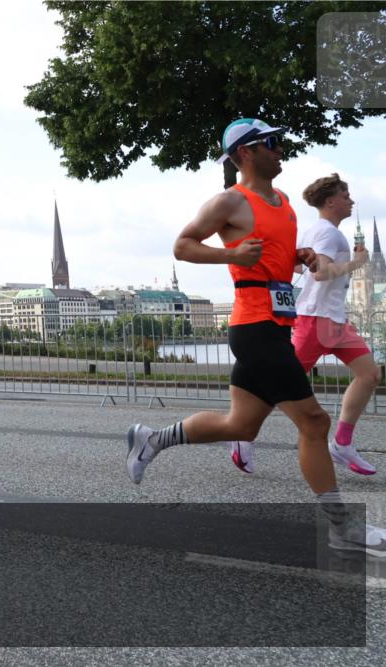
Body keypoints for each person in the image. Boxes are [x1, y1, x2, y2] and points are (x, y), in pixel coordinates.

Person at [126, 118, 385, 555]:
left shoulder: (283, 202)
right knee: (315, 422)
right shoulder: (230, 201)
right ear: (246, 152)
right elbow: (182, 245)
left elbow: (278, 263)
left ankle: (152, 438)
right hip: (255, 327)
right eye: (272, 142)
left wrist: (299, 257)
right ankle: (344, 528)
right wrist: (230, 253)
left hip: (277, 327)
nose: (281, 148)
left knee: (241, 424)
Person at [228, 173, 378, 476]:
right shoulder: (327, 234)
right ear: (331, 201)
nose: (351, 201)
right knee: (281, 384)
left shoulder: (315, 232)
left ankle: (342, 443)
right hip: (315, 320)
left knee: (370, 374)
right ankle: (242, 434)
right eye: (346, 195)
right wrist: (355, 265)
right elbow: (321, 273)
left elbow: (298, 265)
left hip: (334, 320)